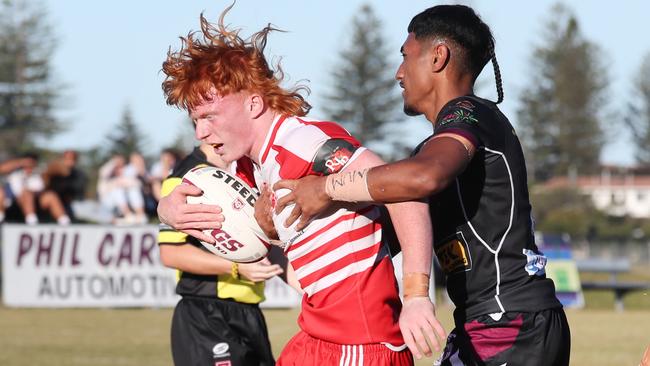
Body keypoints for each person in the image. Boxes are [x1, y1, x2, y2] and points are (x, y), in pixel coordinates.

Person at [272, 5, 571, 366]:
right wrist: (270, 232)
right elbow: (373, 242)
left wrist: (325, 189)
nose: (398, 72)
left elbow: (423, 177)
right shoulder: (431, 150)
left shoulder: (469, 113)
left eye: (405, 56)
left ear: (438, 56)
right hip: (487, 323)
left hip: (511, 322)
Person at [157, 6, 442, 365]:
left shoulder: (304, 143)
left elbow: (405, 192)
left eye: (209, 116)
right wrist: (167, 211)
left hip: (359, 342)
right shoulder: (251, 166)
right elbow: (242, 225)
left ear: (254, 103)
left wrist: (416, 296)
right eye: (195, 120)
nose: (200, 132)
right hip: (315, 335)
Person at [158, 142, 286, 366]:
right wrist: (237, 267)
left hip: (250, 312)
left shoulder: (248, 169)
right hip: (207, 313)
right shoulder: (185, 178)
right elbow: (170, 253)